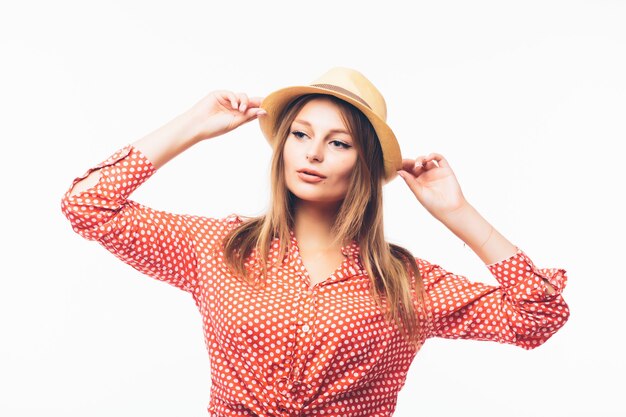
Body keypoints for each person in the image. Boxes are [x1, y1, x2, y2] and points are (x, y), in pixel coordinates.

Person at [61, 67, 569, 416]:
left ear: (365, 165)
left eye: (339, 142)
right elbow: (87, 204)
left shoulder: (405, 283)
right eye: (301, 135)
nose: (315, 153)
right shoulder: (217, 247)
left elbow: (539, 315)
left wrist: (458, 213)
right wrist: (194, 124)